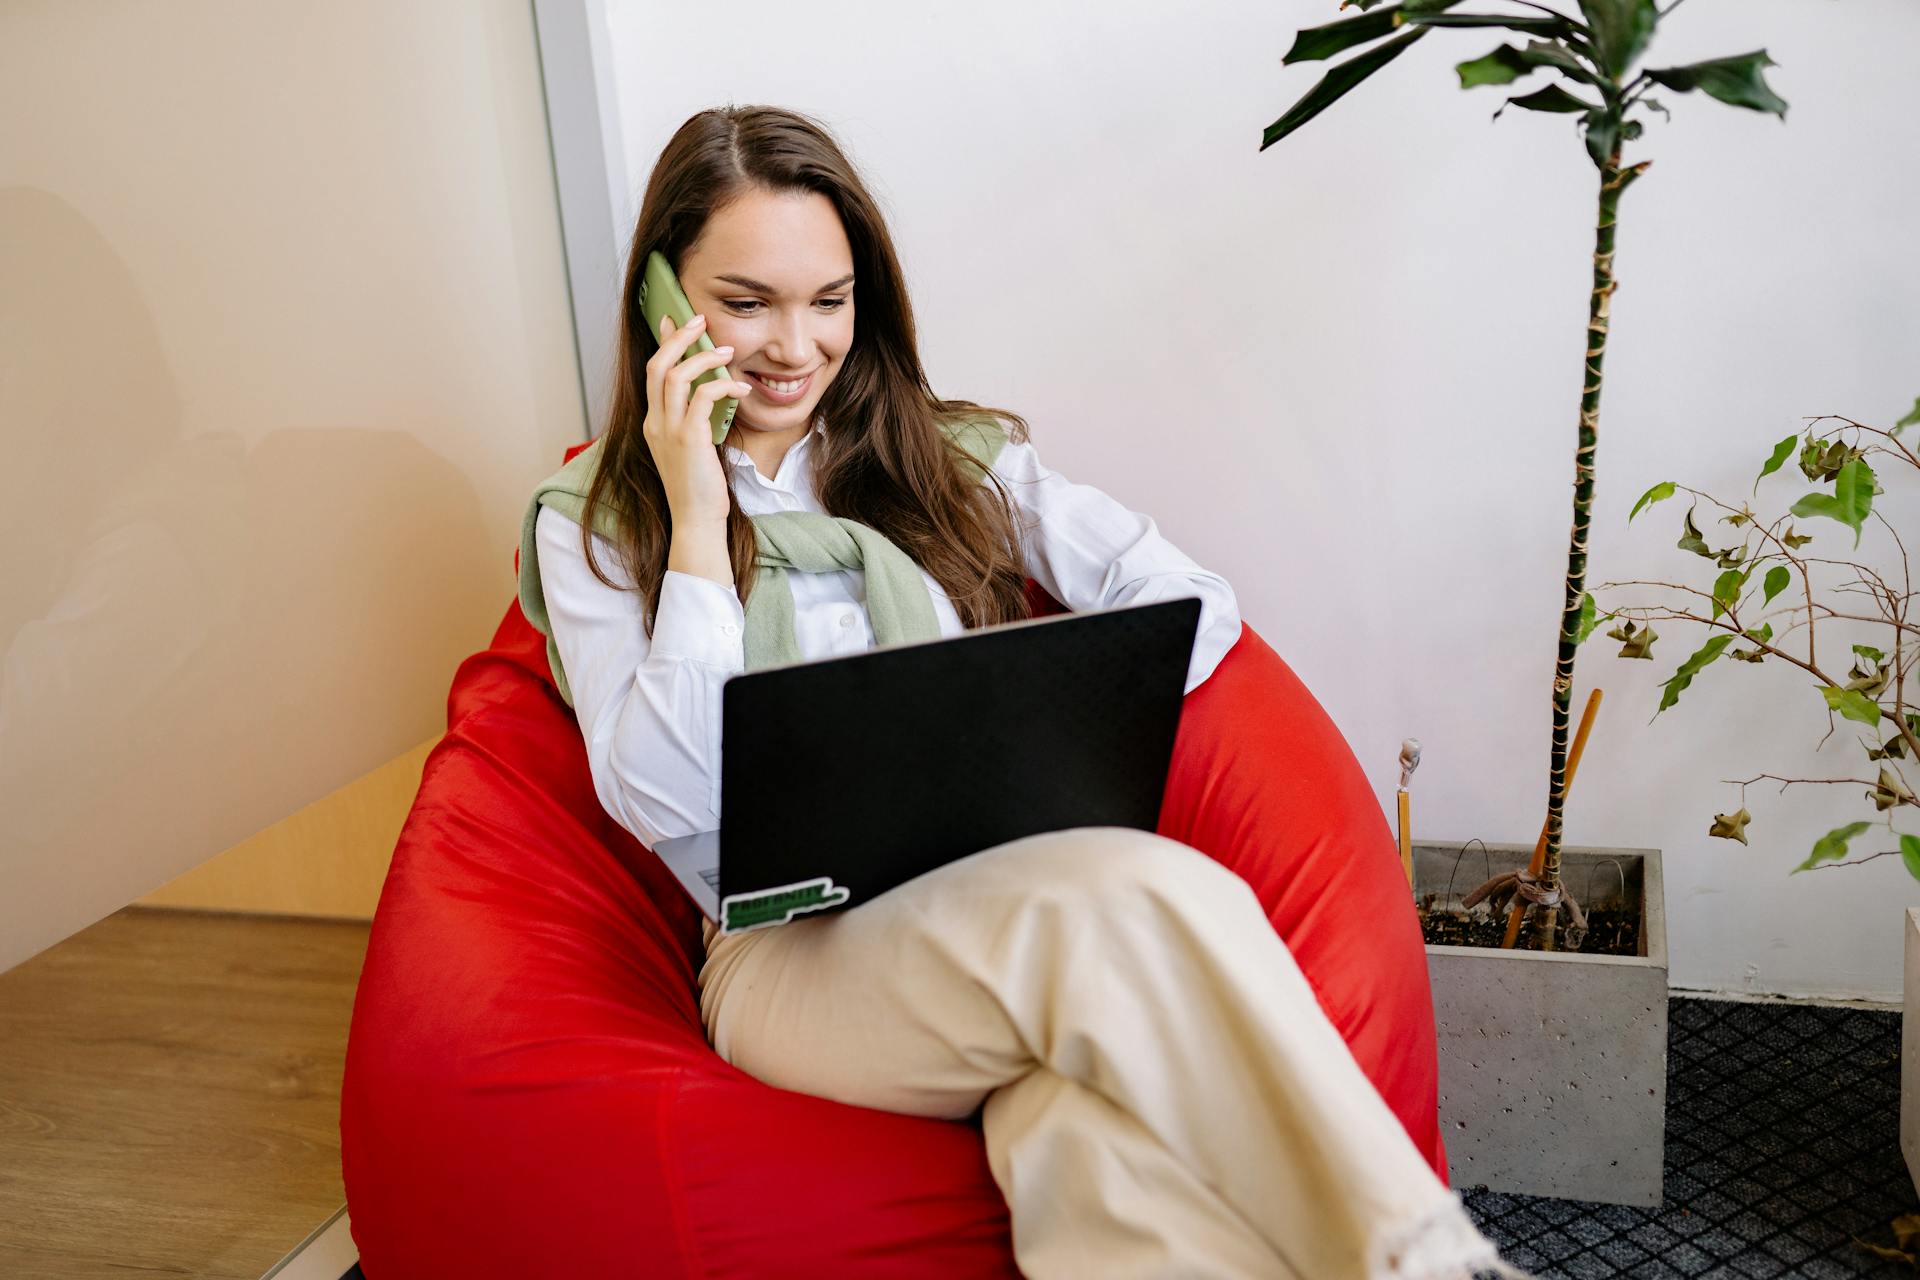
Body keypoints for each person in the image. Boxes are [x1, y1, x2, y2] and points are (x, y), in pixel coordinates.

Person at [522, 105, 1515, 1280]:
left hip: (1003, 894)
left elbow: (1186, 598)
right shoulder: (598, 528)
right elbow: (669, 795)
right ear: (663, 300)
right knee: (1129, 889)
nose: (795, 345)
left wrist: (1067, 698)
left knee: (1076, 1127)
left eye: (829, 301)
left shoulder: (945, 454)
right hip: (787, 962)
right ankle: (1423, 1258)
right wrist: (698, 516)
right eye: (747, 303)